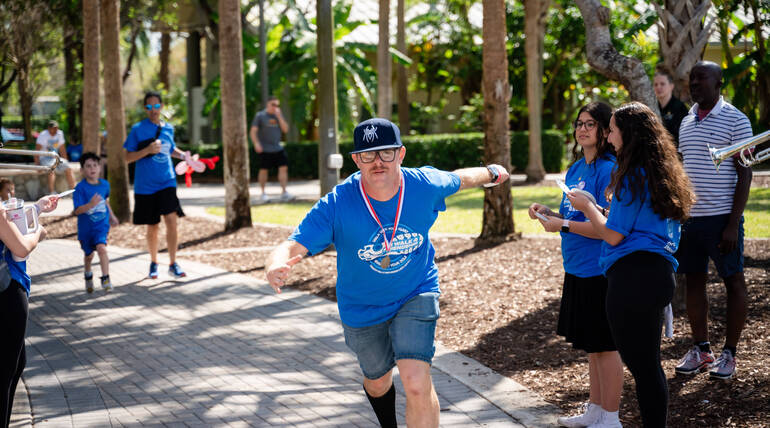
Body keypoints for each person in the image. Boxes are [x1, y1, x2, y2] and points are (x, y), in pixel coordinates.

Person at [265, 118, 509, 427]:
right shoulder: (339, 203)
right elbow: (293, 244)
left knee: (416, 382)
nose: (378, 161)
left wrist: (492, 172)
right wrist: (275, 265)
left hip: (415, 291)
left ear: (401, 154)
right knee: (378, 381)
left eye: (386, 153)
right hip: (362, 306)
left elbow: (461, 178)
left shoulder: (423, 185)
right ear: (356, 159)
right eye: (368, 155)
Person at [568, 102, 695, 427]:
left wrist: (587, 207)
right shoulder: (658, 171)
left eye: (611, 129)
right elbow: (632, 226)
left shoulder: (631, 176)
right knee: (649, 365)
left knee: (643, 367)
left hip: (632, 278)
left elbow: (611, 235)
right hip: (658, 274)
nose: (608, 137)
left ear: (629, 133)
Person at [530, 102, 623, 428]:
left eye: (591, 124)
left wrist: (564, 226)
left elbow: (608, 227)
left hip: (600, 270)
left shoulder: (609, 169)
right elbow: (569, 218)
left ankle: (610, 417)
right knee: (592, 346)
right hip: (577, 269)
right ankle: (595, 411)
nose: (582, 129)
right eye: (579, 123)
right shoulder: (575, 170)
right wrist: (548, 215)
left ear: (604, 130)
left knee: (607, 346)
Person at [674, 61, 753, 380]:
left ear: (719, 82)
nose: (694, 83)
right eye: (692, 79)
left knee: (733, 280)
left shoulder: (737, 119)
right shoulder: (686, 121)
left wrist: (733, 223)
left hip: (723, 218)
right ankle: (701, 349)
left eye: (701, 78)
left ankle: (730, 353)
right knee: (693, 281)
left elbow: (745, 173)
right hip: (690, 219)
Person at [0, 194, 59, 428]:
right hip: (7, 292)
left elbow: (7, 227)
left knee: (16, 364)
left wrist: (36, 209)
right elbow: (21, 248)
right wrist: (38, 233)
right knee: (5, 372)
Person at [123, 91, 191, 280]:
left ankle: (173, 263)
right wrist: (147, 150)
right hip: (145, 186)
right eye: (149, 107)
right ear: (145, 109)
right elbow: (127, 158)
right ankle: (154, 262)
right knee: (153, 226)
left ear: (161, 107)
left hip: (167, 181)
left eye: (156, 106)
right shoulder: (137, 129)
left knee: (171, 221)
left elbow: (170, 149)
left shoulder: (168, 128)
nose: (153, 110)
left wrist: (185, 156)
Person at [73, 152, 119, 293]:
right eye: (88, 166)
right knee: (89, 255)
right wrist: (90, 204)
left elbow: (105, 201)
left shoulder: (105, 185)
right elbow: (78, 210)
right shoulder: (80, 188)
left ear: (99, 167)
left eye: (95, 165)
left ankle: (106, 279)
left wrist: (112, 216)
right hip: (86, 229)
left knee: (102, 249)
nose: (92, 168)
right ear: (82, 170)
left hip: (101, 226)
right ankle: (88, 274)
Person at [249, 96, 292, 202]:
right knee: (264, 170)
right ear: (268, 104)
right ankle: (263, 193)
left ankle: (284, 192)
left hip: (278, 148)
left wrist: (280, 116)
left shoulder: (278, 116)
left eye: (277, 105)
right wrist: (256, 143)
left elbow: (285, 129)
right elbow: (253, 131)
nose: (275, 107)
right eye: (273, 104)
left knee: (283, 168)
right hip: (265, 149)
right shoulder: (260, 116)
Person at [34, 120, 76, 194]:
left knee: (68, 168)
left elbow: (62, 149)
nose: (55, 129)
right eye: (53, 128)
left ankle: (74, 191)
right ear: (48, 128)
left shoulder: (60, 134)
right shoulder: (43, 135)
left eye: (56, 127)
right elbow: (37, 150)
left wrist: (65, 161)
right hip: (44, 157)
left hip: (55, 157)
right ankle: (52, 192)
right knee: (51, 169)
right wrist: (37, 165)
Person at [653, 67, 689, 147]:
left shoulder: (680, 108)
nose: (658, 87)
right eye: (656, 84)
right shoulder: (652, 107)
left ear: (671, 86)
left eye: (662, 84)